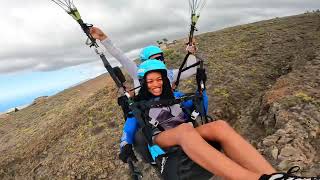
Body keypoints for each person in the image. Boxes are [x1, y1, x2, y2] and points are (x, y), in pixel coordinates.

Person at [120, 60, 319, 180]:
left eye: (159, 79)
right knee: (185, 130)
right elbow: (129, 127)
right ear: (144, 83)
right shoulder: (139, 105)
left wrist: (202, 89)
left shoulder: (176, 95)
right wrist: (125, 145)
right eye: (151, 81)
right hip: (161, 139)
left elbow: (202, 108)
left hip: (186, 133)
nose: (156, 84)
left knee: (219, 126)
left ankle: (277, 177)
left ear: (165, 79)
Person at [89, 27, 197, 90]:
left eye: (161, 58)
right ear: (145, 62)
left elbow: (191, 70)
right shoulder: (137, 72)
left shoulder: (169, 74)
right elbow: (119, 55)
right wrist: (103, 38)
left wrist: (191, 53)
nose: (160, 62)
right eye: (155, 59)